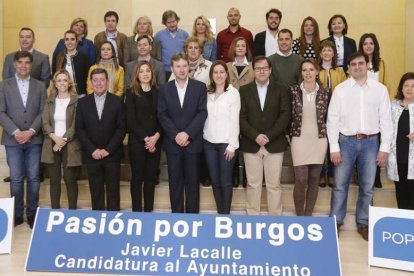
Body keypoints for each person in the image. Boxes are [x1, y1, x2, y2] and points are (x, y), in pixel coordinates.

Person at [327, 52, 392, 241]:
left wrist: (384, 148)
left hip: (371, 143)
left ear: (367, 65)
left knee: (367, 186)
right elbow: (333, 120)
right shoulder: (341, 90)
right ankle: (335, 222)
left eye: (360, 63)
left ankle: (363, 222)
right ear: (348, 68)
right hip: (345, 142)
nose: (357, 67)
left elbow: (386, 120)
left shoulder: (380, 90)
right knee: (340, 185)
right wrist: (334, 147)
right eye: (353, 64)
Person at [0, 51, 46, 228]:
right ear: (14, 64)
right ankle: (17, 214)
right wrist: (16, 131)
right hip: (13, 140)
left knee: (34, 178)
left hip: (34, 139)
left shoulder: (40, 86)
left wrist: (31, 131)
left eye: (27, 62)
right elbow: (1, 112)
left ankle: (33, 214)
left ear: (31, 65)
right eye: (20, 62)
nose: (24, 66)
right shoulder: (4, 85)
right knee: (16, 178)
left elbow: (44, 112)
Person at [239, 56, 291, 215]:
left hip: (274, 143)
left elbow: (285, 115)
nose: (261, 71)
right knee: (253, 184)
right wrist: (255, 136)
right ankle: (253, 217)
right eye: (258, 68)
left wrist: (268, 135)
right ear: (253, 71)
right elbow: (241, 117)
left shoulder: (281, 89)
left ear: (270, 70)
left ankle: (275, 219)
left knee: (273, 184)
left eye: (264, 68)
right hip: (251, 143)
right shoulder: (244, 90)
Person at [158, 53, 207, 213]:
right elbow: (162, 114)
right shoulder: (165, 89)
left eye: (184, 66)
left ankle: (192, 219)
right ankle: (177, 218)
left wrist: (187, 134)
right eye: (178, 66)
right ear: (172, 68)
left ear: (189, 67)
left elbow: (202, 113)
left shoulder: (199, 87)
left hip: (193, 143)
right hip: (173, 144)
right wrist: (176, 135)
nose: (181, 69)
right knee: (175, 183)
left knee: (193, 183)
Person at [76, 68, 126, 211]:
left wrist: (108, 150)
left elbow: (121, 128)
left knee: (113, 191)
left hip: (112, 155)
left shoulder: (117, 101)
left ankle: (112, 223)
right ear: (91, 82)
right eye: (95, 80)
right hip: (92, 155)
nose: (99, 83)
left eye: (102, 80)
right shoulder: (83, 103)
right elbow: (80, 129)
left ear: (107, 81)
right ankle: (98, 221)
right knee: (96, 192)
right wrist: (93, 150)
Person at [290, 59, 329, 216]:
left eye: (311, 69)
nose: (308, 73)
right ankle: (300, 216)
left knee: (314, 180)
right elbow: (287, 115)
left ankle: (308, 216)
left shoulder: (326, 93)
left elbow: (330, 118)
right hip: (299, 139)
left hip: (319, 140)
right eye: (304, 70)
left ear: (317, 71)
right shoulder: (293, 91)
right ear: (301, 72)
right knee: (301, 180)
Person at [204, 60, 240, 214]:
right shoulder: (206, 92)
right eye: (215, 72)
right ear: (212, 75)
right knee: (215, 181)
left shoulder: (233, 93)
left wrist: (232, 145)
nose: (219, 75)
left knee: (225, 182)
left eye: (221, 72)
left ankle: (225, 215)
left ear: (227, 74)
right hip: (209, 143)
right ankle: (220, 213)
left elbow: (235, 120)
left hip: (227, 144)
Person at [41, 70, 81, 210]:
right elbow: (45, 122)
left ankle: (72, 212)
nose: (62, 83)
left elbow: (76, 124)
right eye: (59, 80)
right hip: (51, 143)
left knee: (70, 180)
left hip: (69, 144)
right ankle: (55, 211)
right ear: (55, 83)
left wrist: (62, 140)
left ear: (69, 82)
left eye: (65, 80)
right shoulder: (50, 100)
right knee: (54, 181)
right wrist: (54, 137)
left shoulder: (76, 100)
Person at [125, 61, 162, 212]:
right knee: (137, 178)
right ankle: (137, 212)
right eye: (142, 71)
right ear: (137, 75)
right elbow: (130, 119)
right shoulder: (131, 92)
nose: (145, 74)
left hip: (156, 142)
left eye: (148, 71)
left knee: (150, 179)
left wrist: (155, 137)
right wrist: (146, 138)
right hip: (138, 142)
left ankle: (148, 211)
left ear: (152, 74)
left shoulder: (159, 92)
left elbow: (162, 117)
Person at [359, 33, 388, 188]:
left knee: (375, 142)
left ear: (375, 46)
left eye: (371, 43)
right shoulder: (357, 63)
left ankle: (375, 175)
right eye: (365, 43)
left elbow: (385, 84)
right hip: (361, 107)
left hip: (377, 108)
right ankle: (361, 174)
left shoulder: (381, 64)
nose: (368, 46)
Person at [318, 40, 347, 187]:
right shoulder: (317, 70)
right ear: (320, 54)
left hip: (336, 110)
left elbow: (345, 91)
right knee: (321, 141)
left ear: (334, 53)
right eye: (324, 50)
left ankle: (331, 173)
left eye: (330, 50)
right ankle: (321, 173)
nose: (327, 53)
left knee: (333, 141)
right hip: (320, 110)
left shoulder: (340, 72)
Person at [387, 72, 414, 210]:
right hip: (398, 157)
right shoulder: (393, 106)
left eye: (413, 86)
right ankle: (403, 225)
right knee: (400, 192)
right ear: (401, 88)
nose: (409, 89)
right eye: (406, 85)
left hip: (413, 159)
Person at [52, 30, 90, 96]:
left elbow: (88, 78)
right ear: (64, 42)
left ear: (76, 41)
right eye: (67, 39)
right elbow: (55, 76)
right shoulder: (59, 57)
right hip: (62, 95)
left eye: (72, 39)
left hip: (80, 95)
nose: (69, 42)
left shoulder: (84, 57)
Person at [155, 10, 189, 80]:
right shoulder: (159, 35)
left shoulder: (184, 34)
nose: (172, 24)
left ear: (177, 21)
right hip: (165, 70)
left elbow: (187, 52)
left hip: (181, 69)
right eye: (169, 22)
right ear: (164, 23)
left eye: (173, 21)